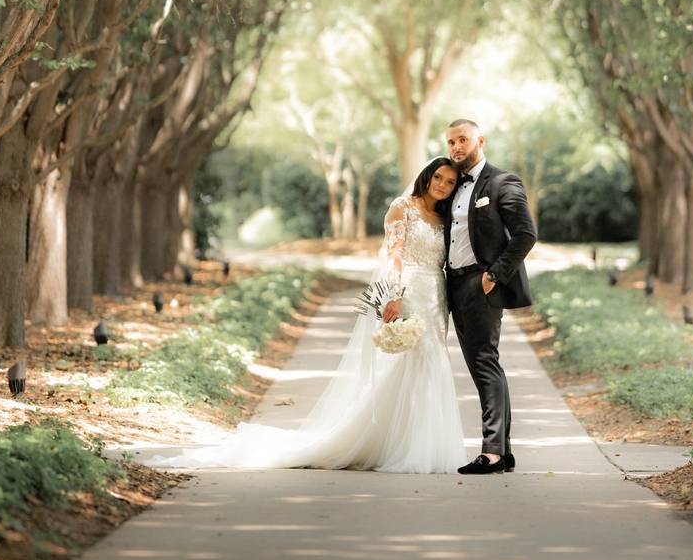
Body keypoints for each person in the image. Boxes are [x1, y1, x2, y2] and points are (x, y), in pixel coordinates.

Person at [147, 158, 467, 474]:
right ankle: (395, 444)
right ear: (427, 175)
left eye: (450, 182)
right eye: (438, 177)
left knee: (431, 360)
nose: (442, 185)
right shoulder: (403, 207)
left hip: (435, 294)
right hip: (408, 290)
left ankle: (421, 441)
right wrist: (394, 295)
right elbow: (393, 253)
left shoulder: (443, 216)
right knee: (409, 362)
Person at [443, 119, 537, 475]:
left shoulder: (501, 182)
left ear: (480, 141)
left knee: (484, 363)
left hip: (480, 284)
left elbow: (525, 234)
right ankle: (504, 452)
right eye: (451, 142)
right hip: (453, 284)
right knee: (482, 365)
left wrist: (493, 276)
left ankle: (492, 453)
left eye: (463, 140)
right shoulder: (451, 184)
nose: (456, 147)